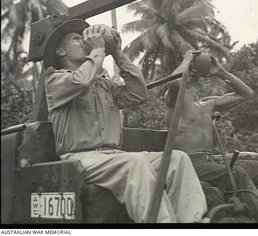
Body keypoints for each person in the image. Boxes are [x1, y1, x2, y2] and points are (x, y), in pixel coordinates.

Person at [43, 19, 208, 223]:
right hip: (81, 158)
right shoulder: (55, 80)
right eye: (77, 39)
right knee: (135, 162)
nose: (83, 40)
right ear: (61, 52)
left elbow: (138, 94)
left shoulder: (103, 85)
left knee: (177, 159)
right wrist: (97, 50)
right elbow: (82, 81)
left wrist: (118, 54)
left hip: (112, 157)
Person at [164, 50, 258, 222]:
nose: (198, 78)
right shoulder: (173, 101)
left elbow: (246, 93)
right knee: (237, 173)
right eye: (193, 73)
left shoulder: (208, 104)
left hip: (213, 161)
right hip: (189, 162)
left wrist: (220, 72)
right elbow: (174, 82)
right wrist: (188, 58)